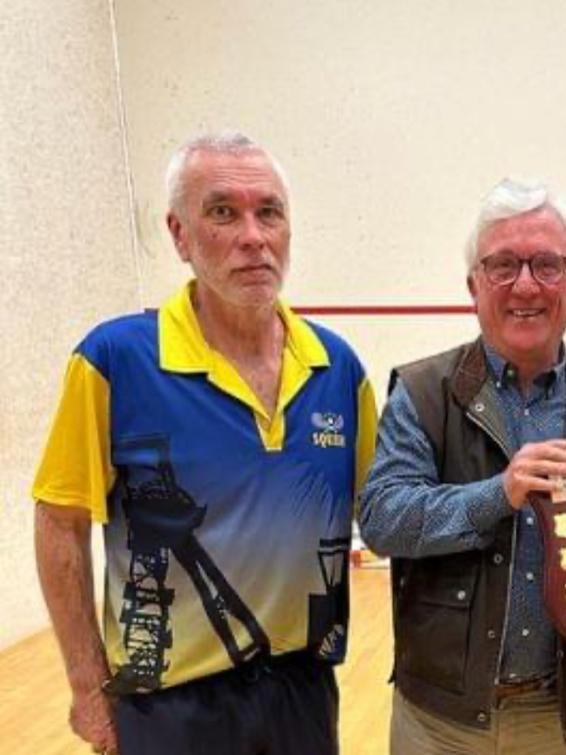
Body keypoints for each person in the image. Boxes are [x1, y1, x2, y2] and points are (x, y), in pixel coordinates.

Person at [33, 131, 377, 754]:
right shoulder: (113, 361)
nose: (253, 235)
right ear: (179, 234)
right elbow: (59, 522)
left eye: (268, 212)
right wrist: (87, 690)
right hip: (168, 708)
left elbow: (384, 512)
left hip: (302, 691)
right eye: (223, 212)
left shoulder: (338, 368)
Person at [359, 178, 566, 754]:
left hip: (565, 720)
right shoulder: (421, 390)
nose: (526, 285)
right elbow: (383, 518)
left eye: (546, 265)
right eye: (503, 265)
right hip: (439, 724)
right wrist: (498, 493)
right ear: (473, 285)